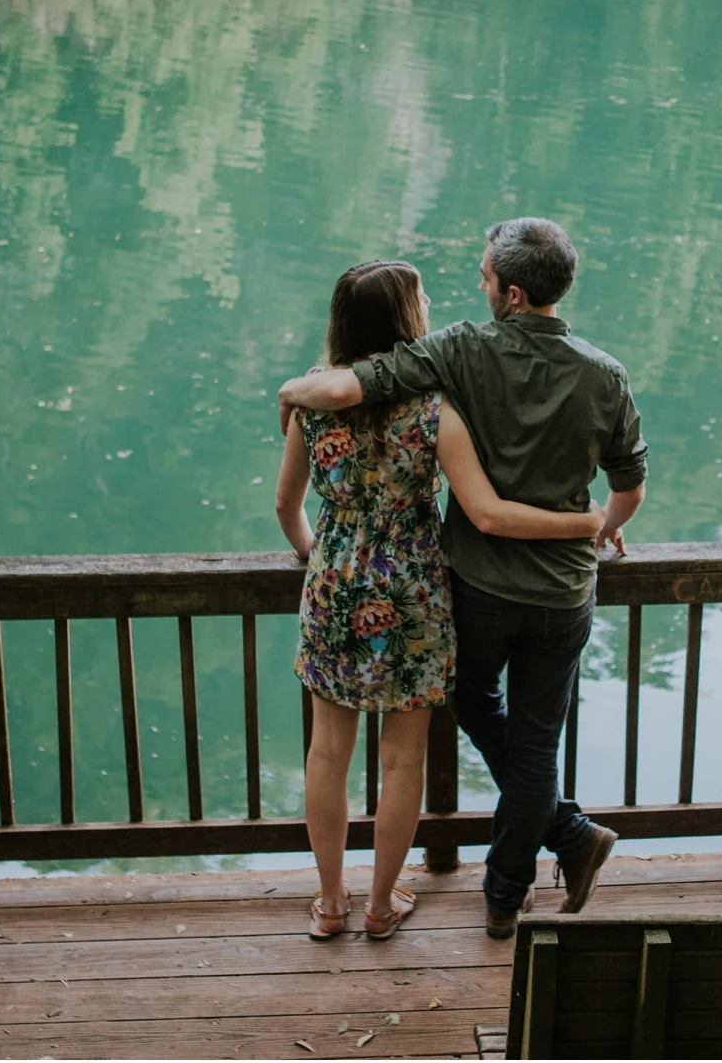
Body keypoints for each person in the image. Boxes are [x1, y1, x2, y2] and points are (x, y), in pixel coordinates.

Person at [278, 218, 646, 939]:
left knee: (341, 747)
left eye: (484, 275)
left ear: (509, 291)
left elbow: (296, 490)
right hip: (455, 590)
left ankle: (330, 904)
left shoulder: (366, 388)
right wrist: (597, 524)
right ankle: (438, 900)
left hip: (378, 584)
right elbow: (593, 487)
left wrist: (314, 546)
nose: (476, 285)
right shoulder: (459, 405)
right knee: (444, 750)